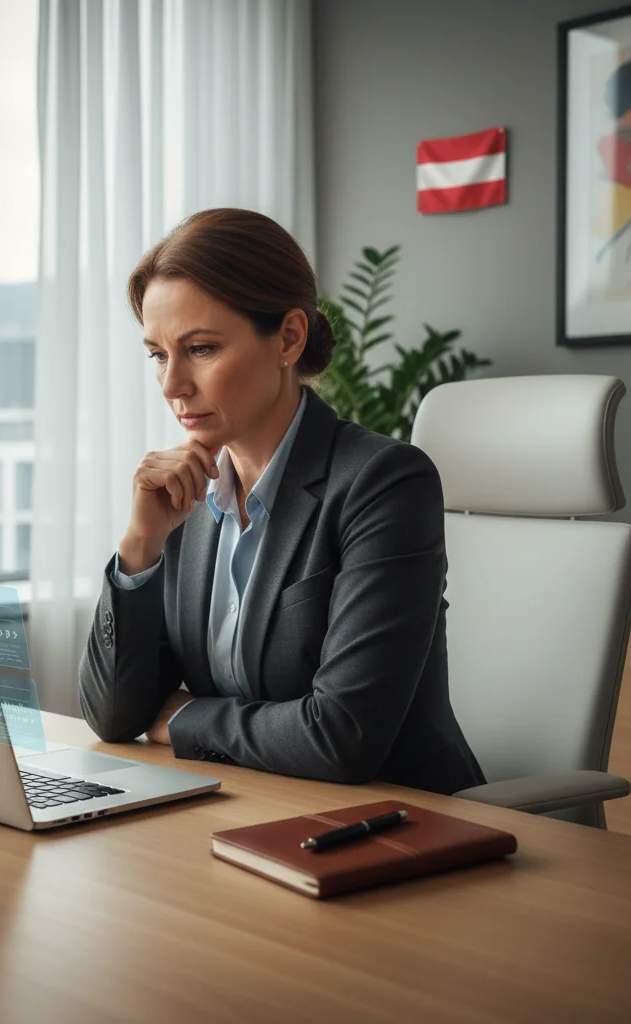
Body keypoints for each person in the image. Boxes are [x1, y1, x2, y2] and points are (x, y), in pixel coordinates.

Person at [78, 208, 486, 795]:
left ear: (289, 338)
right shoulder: (186, 498)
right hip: (250, 810)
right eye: (158, 355)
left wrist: (188, 716)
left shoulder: (384, 484)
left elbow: (340, 736)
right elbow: (114, 717)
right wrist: (140, 547)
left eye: (201, 349)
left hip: (396, 828)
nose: (171, 385)